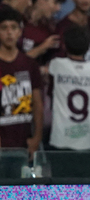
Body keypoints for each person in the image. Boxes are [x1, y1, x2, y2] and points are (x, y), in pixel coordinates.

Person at [47, 24, 90, 176]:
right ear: (88, 48)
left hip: (61, 139)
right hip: (88, 140)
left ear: (64, 45)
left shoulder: (57, 65)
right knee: (86, 189)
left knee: (61, 190)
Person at [0, 7, 43, 170]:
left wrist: (36, 138)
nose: (9, 33)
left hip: (24, 143)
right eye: (4, 28)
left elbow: (38, 104)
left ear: (20, 31)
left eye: (13, 27)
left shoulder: (30, 65)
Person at [21, 0, 63, 66]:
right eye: (55, 3)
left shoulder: (51, 27)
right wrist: (43, 47)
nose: (58, 8)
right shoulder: (17, 22)